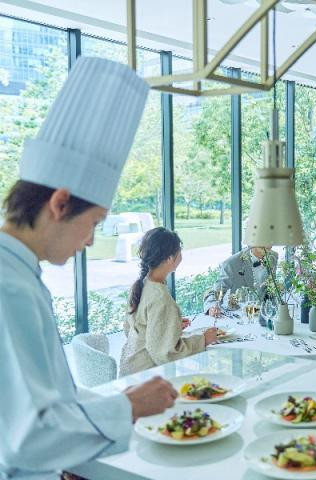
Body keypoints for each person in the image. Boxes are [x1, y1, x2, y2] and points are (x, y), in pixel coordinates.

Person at [0, 57, 177, 479]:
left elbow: (51, 399)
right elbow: (26, 435)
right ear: (60, 204)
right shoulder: (9, 286)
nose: (91, 241)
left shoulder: (19, 272)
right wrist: (127, 406)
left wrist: (119, 404)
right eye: (94, 223)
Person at [120, 228, 217, 376]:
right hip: (146, 376)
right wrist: (203, 339)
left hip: (129, 369)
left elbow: (130, 329)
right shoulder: (160, 298)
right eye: (180, 251)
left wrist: (170, 327)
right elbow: (166, 354)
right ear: (170, 258)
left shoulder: (140, 285)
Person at [203, 246, 278, 316]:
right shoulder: (231, 263)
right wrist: (211, 307)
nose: (270, 244)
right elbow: (215, 292)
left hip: (265, 315)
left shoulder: (273, 256)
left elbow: (269, 291)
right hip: (240, 316)